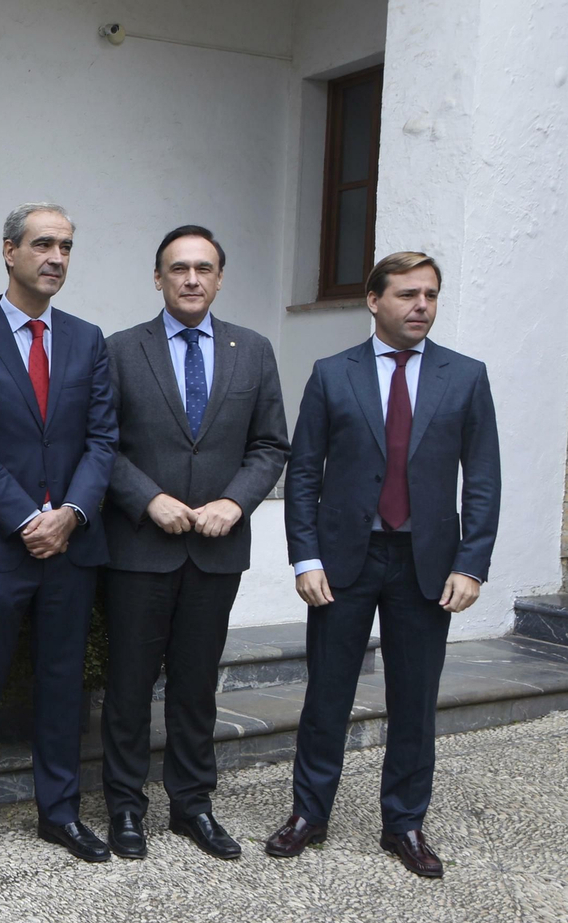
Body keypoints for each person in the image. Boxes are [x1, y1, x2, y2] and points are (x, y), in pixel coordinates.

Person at [268, 251, 501, 878]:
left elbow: (482, 477)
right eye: (407, 294)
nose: (420, 306)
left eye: (430, 295)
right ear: (374, 300)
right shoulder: (332, 373)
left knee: (415, 699)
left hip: (426, 564)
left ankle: (404, 823)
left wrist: (472, 563)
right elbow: (303, 475)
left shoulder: (465, 376)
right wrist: (305, 556)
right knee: (327, 695)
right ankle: (308, 815)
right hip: (346, 560)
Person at [0, 201, 118, 874]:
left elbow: (103, 439)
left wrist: (69, 513)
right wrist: (26, 518)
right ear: (8, 251)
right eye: (44, 244)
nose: (57, 258)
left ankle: (60, 811)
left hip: (71, 545)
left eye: (67, 246)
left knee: (63, 682)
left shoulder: (87, 338)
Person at [100, 226, 290, 860]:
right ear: (158, 279)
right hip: (138, 548)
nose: (190, 279)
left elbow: (269, 446)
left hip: (215, 549)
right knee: (128, 684)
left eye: (203, 268)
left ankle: (192, 805)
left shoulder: (253, 351)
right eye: (177, 268)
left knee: (196, 684)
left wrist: (235, 502)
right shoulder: (121, 350)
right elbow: (101, 443)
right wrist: (147, 498)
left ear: (219, 278)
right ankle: (125, 807)